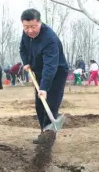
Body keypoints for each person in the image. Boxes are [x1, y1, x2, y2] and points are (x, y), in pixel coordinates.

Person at [19, 8, 69, 144]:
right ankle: (44, 133)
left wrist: (44, 87)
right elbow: (22, 49)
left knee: (50, 104)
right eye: (26, 27)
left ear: (39, 22)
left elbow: (50, 65)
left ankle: (49, 137)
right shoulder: (26, 34)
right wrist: (26, 62)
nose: (30, 30)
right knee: (39, 106)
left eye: (33, 27)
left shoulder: (50, 39)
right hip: (40, 72)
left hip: (56, 72)